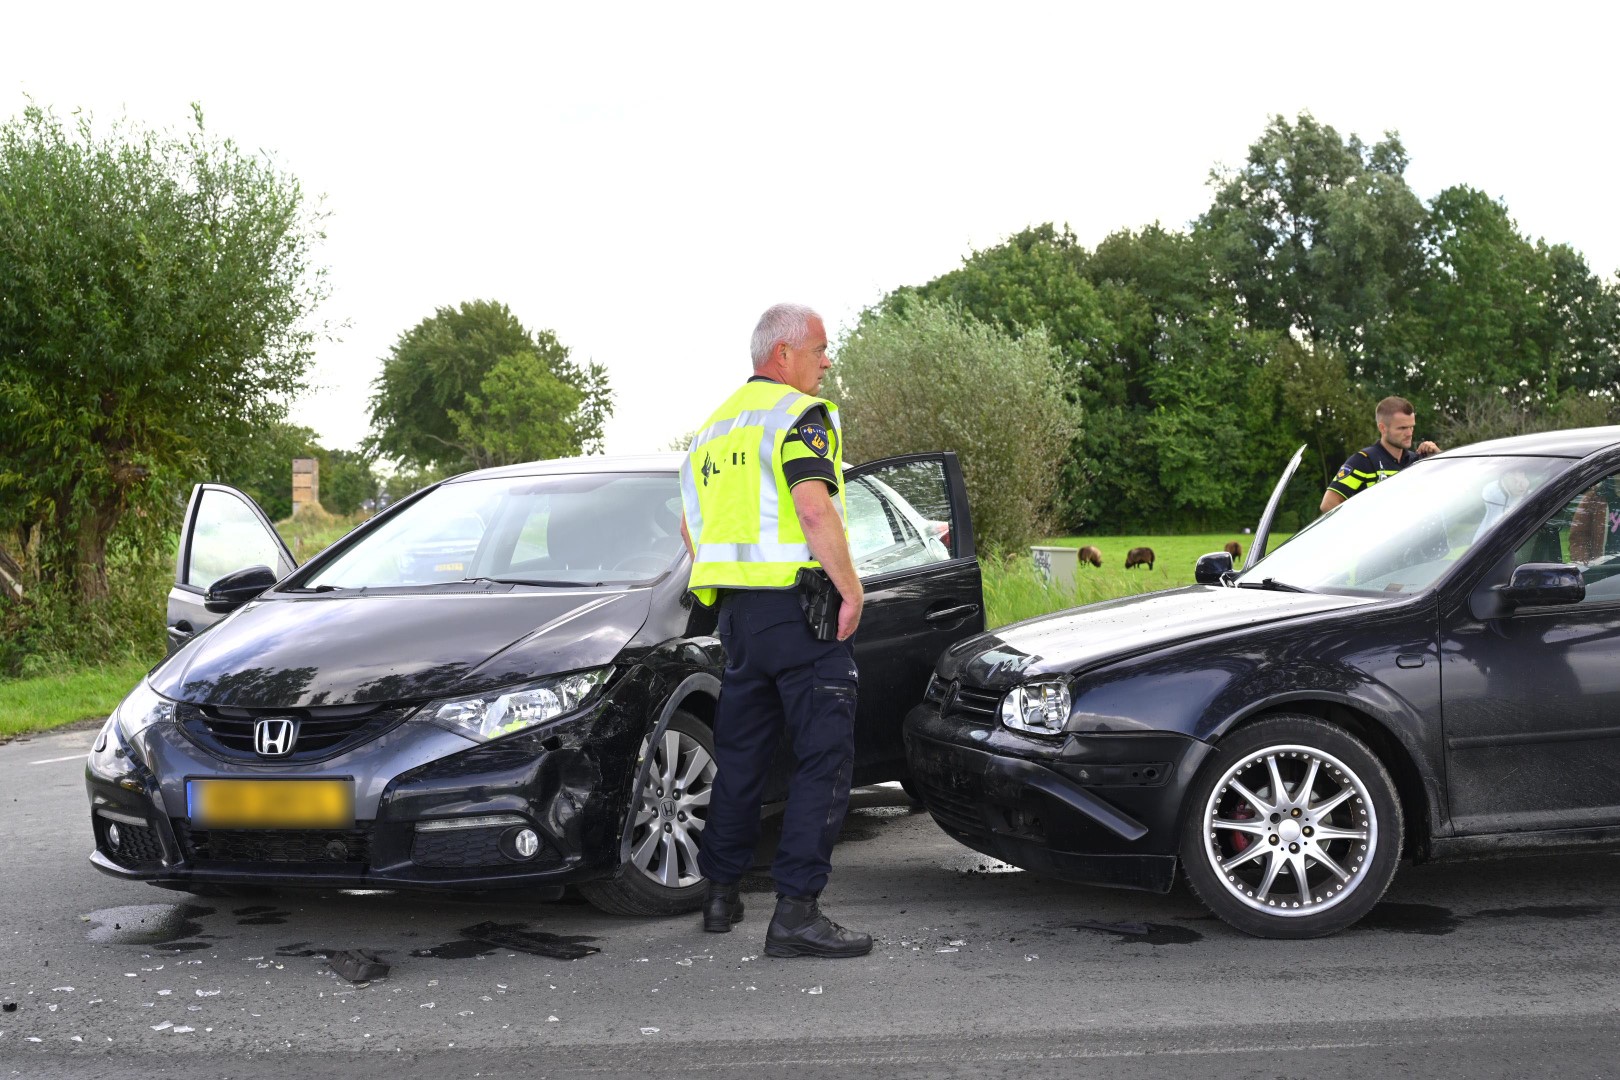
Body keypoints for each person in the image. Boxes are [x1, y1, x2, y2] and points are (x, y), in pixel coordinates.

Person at [677, 302, 871, 959]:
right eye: (820, 348)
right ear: (783, 354)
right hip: (800, 613)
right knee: (824, 756)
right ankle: (797, 913)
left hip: (738, 618)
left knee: (742, 757)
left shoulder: (710, 432)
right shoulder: (797, 417)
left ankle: (720, 895)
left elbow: (689, 531)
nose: (827, 360)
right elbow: (814, 508)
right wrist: (850, 588)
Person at [1320, 396, 1441, 513]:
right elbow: (1329, 504)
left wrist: (1439, 457)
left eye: (1411, 427)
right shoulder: (1363, 461)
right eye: (1402, 428)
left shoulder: (1417, 461)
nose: (1409, 433)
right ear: (1383, 428)